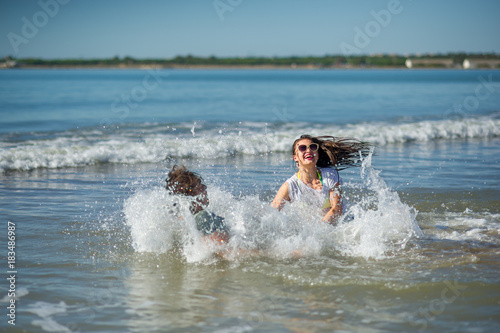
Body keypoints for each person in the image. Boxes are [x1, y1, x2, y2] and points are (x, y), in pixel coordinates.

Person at [271, 135, 371, 224]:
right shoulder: (290, 186)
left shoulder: (330, 175)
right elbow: (271, 214)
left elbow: (337, 209)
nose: (308, 150)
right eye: (302, 148)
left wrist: (319, 229)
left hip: (344, 225)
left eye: (313, 147)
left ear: (317, 155)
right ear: (295, 157)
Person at [165, 165, 230, 245]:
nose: (205, 187)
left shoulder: (182, 219)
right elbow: (223, 248)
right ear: (191, 196)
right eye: (200, 187)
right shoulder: (203, 218)